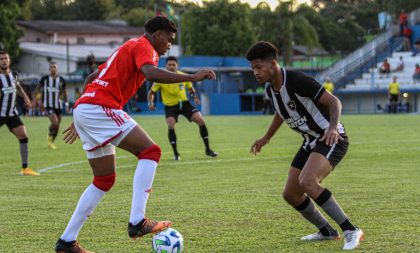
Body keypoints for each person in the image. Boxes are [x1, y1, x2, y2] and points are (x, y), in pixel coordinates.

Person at [55, 16, 216, 253]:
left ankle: (67, 242)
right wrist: (192, 77)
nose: (169, 45)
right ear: (157, 35)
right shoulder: (144, 46)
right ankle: (137, 221)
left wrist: (82, 112)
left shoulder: (127, 46)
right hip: (101, 107)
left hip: (88, 108)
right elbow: (150, 73)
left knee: (104, 180)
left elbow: (92, 79)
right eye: (169, 40)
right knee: (151, 151)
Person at [246, 41, 363, 250]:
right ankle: (327, 231)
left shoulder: (297, 80)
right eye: (252, 68)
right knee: (290, 194)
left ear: (273, 63)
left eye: (258, 67)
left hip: (330, 137)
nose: (255, 72)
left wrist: (333, 128)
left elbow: (334, 102)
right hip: (310, 141)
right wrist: (266, 138)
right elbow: (282, 113)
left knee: (308, 181)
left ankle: (350, 230)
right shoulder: (271, 88)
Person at [147, 56, 218, 160]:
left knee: (201, 120)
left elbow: (190, 88)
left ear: (177, 66)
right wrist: (151, 102)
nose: (171, 67)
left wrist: (195, 97)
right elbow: (151, 92)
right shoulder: (161, 79)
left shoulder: (183, 76)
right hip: (170, 106)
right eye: (169, 65)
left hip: (184, 103)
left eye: (173, 65)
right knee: (171, 124)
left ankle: (208, 150)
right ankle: (176, 154)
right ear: (166, 66)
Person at [0, 51, 39, 176]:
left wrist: (26, 97)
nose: (4, 61)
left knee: (23, 135)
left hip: (11, 113)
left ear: (9, 60)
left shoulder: (14, 75)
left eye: (6, 58)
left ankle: (25, 168)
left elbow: (17, 87)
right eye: (1, 59)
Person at [33, 61, 67, 149]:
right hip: (48, 105)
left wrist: (66, 104)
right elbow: (37, 90)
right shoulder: (44, 79)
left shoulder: (62, 80)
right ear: (49, 69)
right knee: (55, 123)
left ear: (57, 68)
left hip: (58, 105)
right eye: (51, 67)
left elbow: (64, 93)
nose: (53, 68)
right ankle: (49, 138)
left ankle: (51, 142)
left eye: (54, 67)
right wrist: (35, 101)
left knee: (57, 125)